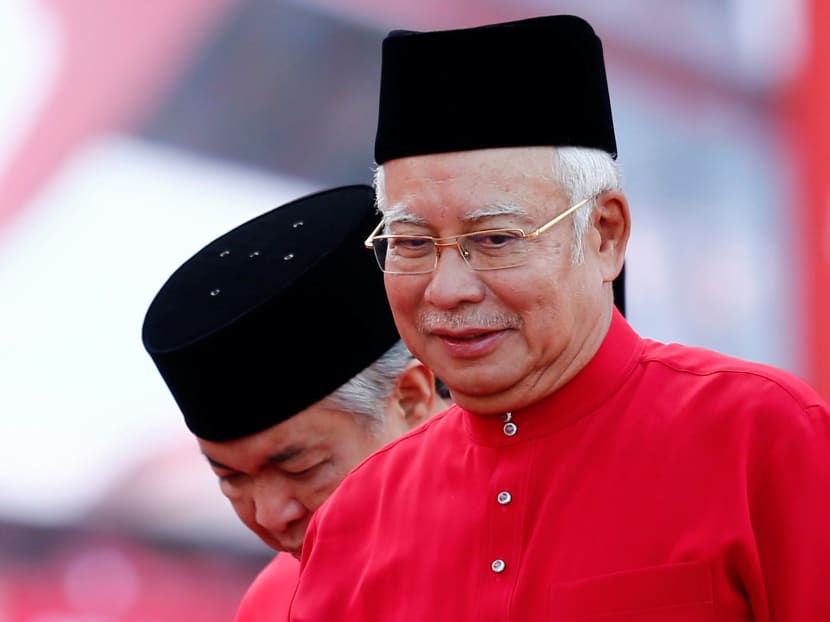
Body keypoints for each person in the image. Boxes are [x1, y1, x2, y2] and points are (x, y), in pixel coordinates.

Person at [288, 16, 830, 621]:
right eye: (412, 243)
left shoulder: (762, 436)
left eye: (494, 239)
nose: (447, 289)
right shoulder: (356, 517)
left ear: (605, 235)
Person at [141, 185, 449, 622]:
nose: (269, 516)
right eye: (231, 479)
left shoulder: (544, 531)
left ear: (411, 398)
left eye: (300, 468)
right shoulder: (276, 604)